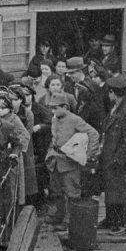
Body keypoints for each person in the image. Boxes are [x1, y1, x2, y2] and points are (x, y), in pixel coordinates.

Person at [44, 93, 100, 231]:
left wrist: (88, 155)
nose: (53, 111)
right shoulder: (54, 119)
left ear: (65, 107)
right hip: (55, 160)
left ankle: (70, 220)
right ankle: (59, 214)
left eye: (55, 108)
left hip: (70, 163)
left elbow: (93, 134)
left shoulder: (75, 119)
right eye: (51, 108)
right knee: (56, 191)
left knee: (71, 192)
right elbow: (54, 137)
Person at [99, 74, 126, 236]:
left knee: (123, 192)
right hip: (111, 156)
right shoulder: (117, 107)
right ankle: (111, 220)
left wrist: (119, 159)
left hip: (121, 160)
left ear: (113, 93)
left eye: (109, 92)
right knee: (113, 190)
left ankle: (125, 224)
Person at [68, 57, 106, 133]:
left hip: (90, 127)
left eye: (72, 73)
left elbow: (97, 111)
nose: (69, 75)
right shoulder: (70, 86)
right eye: (69, 73)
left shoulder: (90, 86)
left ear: (80, 71)